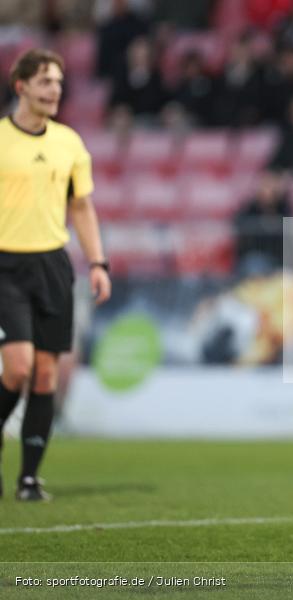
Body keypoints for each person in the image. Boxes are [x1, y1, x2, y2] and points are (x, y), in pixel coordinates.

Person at [0, 49, 111, 501]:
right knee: (19, 367)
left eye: (60, 83)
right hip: (6, 264)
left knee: (46, 377)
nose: (54, 90)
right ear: (21, 86)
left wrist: (98, 262)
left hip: (52, 266)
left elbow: (81, 208)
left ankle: (28, 478)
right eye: (45, 81)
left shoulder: (69, 144)